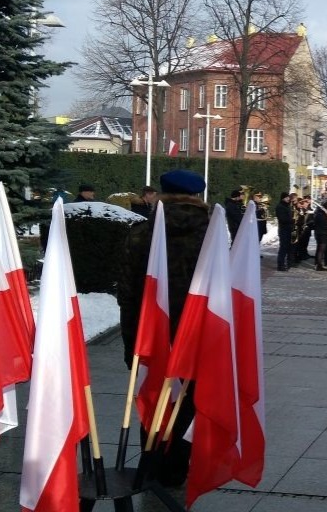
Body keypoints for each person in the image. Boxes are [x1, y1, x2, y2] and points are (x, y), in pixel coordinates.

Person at [117, 168, 209, 487]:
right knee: (190, 402)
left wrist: (131, 343)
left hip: (151, 332)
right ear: (197, 196)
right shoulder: (212, 233)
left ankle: (152, 464)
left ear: (162, 193)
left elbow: (128, 293)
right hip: (197, 333)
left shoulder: (141, 232)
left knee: (152, 395)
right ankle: (177, 467)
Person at [275, 192, 295, 270]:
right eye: (287, 197)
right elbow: (282, 219)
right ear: (283, 198)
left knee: (289, 247)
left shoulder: (288, 206)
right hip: (284, 230)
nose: (288, 199)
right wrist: (292, 220)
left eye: (288, 197)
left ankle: (288, 263)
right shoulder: (280, 207)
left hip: (289, 229)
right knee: (283, 248)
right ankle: (280, 265)